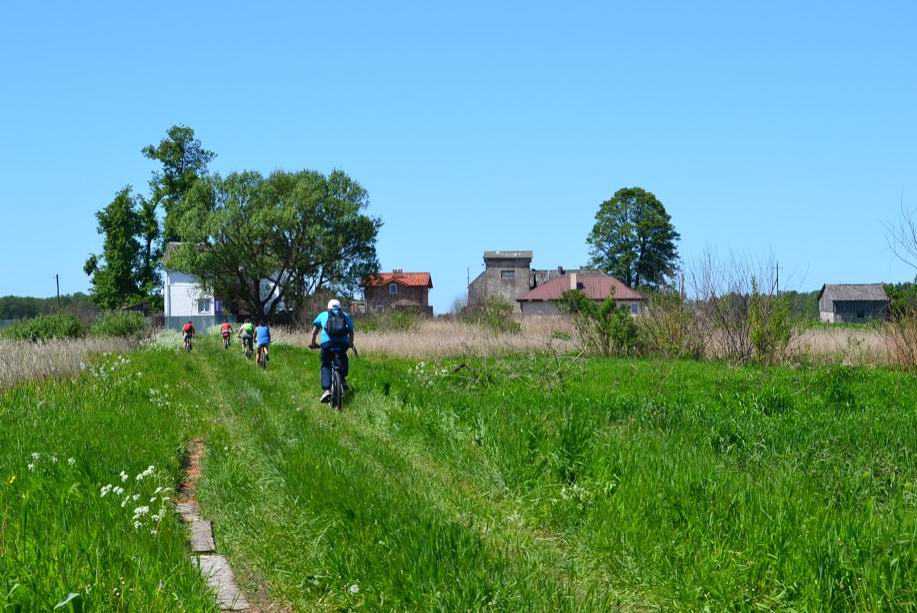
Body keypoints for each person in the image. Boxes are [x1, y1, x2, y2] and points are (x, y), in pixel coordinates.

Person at [310, 299, 354, 403]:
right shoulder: (345, 315)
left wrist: (312, 343)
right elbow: (351, 331)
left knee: (326, 364)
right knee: (343, 358)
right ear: (340, 307)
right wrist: (350, 344)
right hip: (342, 343)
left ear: (328, 308)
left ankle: (327, 390)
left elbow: (314, 332)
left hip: (327, 344)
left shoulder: (323, 315)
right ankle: (342, 380)